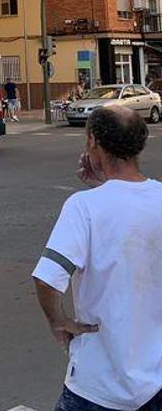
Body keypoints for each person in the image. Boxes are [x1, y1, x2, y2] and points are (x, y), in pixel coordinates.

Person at [32, 106, 162, 411]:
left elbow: (47, 277)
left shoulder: (83, 207)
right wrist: (105, 188)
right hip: (155, 382)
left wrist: (58, 321)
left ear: (93, 141)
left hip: (97, 387)